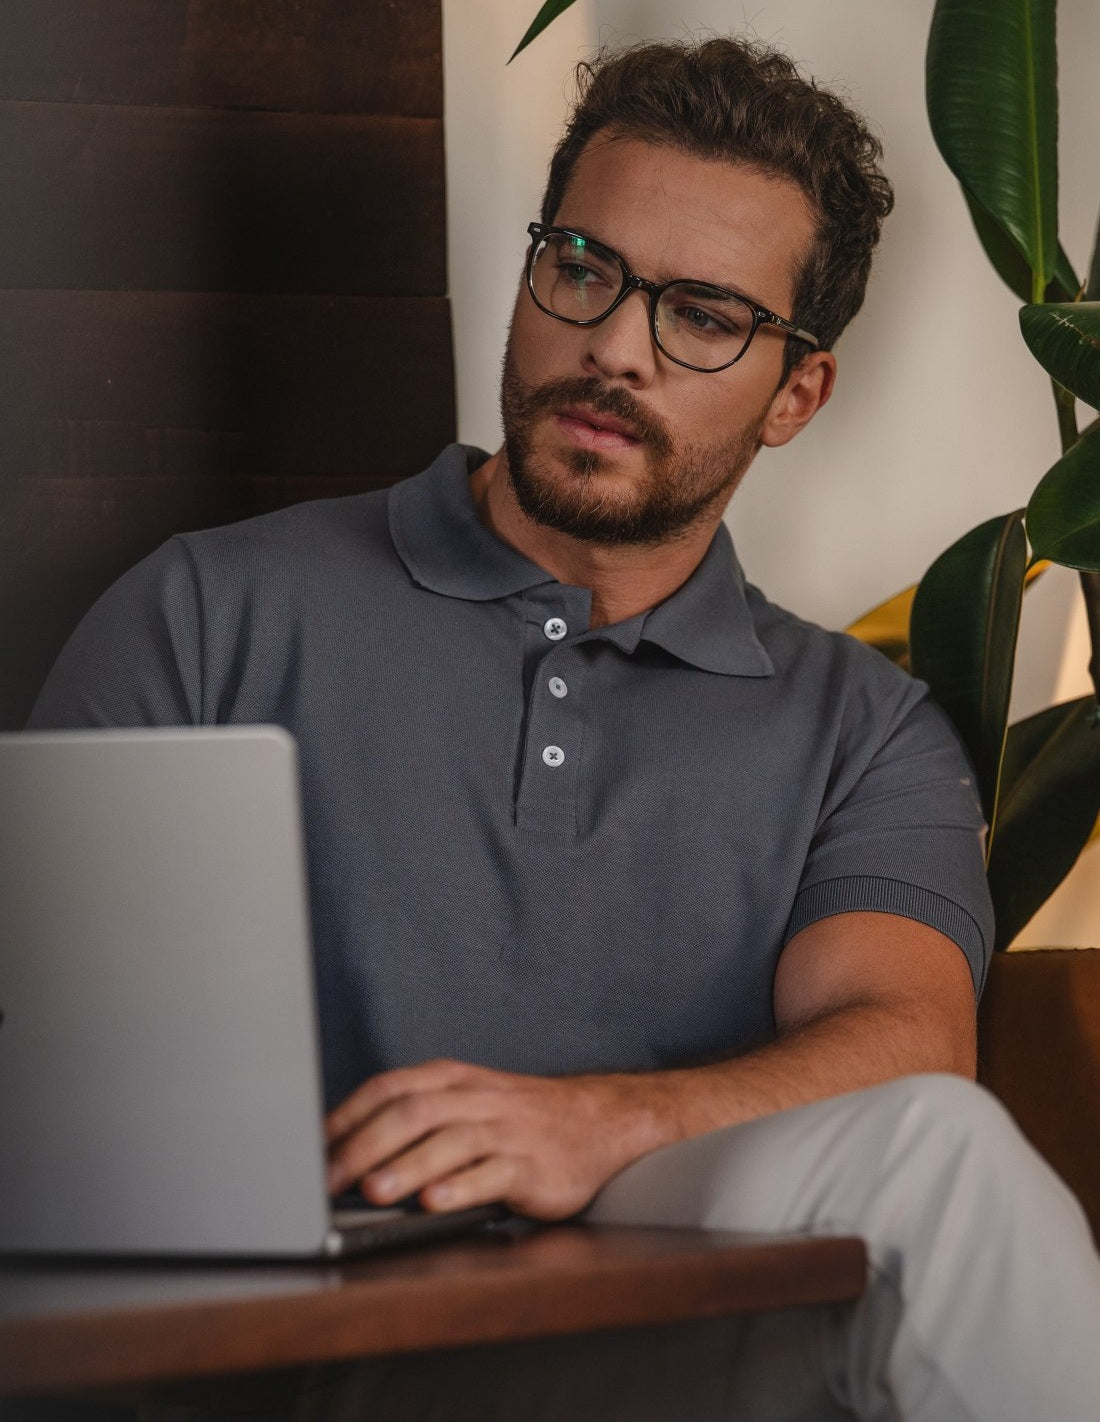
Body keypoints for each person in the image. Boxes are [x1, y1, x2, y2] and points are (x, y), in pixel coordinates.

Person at [29, 36, 1100, 1422]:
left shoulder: (865, 726)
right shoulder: (209, 610)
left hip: (663, 1330)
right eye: (584, 267)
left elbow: (902, 1037)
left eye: (702, 314)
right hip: (276, 1334)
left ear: (797, 394)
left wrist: (587, 1125)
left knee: (942, 1150)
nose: (612, 348)